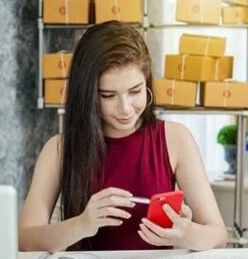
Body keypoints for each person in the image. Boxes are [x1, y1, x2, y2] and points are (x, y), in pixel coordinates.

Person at [18, 21, 227, 252]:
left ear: (147, 84)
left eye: (135, 91)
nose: (125, 108)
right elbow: (25, 239)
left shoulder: (175, 138)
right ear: (87, 95)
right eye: (108, 95)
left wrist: (187, 234)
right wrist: (82, 224)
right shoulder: (59, 149)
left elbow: (218, 235)